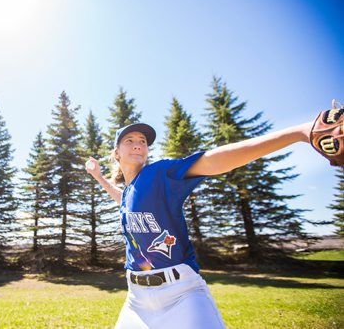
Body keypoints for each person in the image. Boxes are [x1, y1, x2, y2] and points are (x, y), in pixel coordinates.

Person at [85, 121, 314, 329]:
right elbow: (123, 201)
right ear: (116, 153)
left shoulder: (158, 174)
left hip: (182, 295)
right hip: (137, 299)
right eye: (129, 141)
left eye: (142, 142)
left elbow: (211, 161)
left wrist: (298, 132)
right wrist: (98, 177)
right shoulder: (129, 192)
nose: (137, 145)